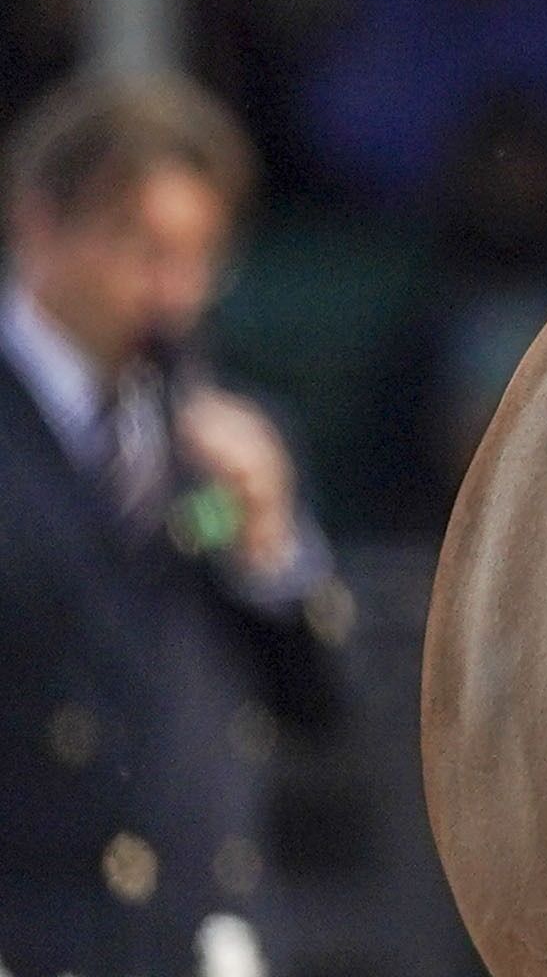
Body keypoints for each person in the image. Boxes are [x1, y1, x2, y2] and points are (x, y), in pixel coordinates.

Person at [1, 75, 350, 977]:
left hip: (199, 933)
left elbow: (320, 709)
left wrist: (272, 547)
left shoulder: (221, 436)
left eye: (199, 258)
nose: (175, 293)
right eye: (145, 249)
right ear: (40, 224)